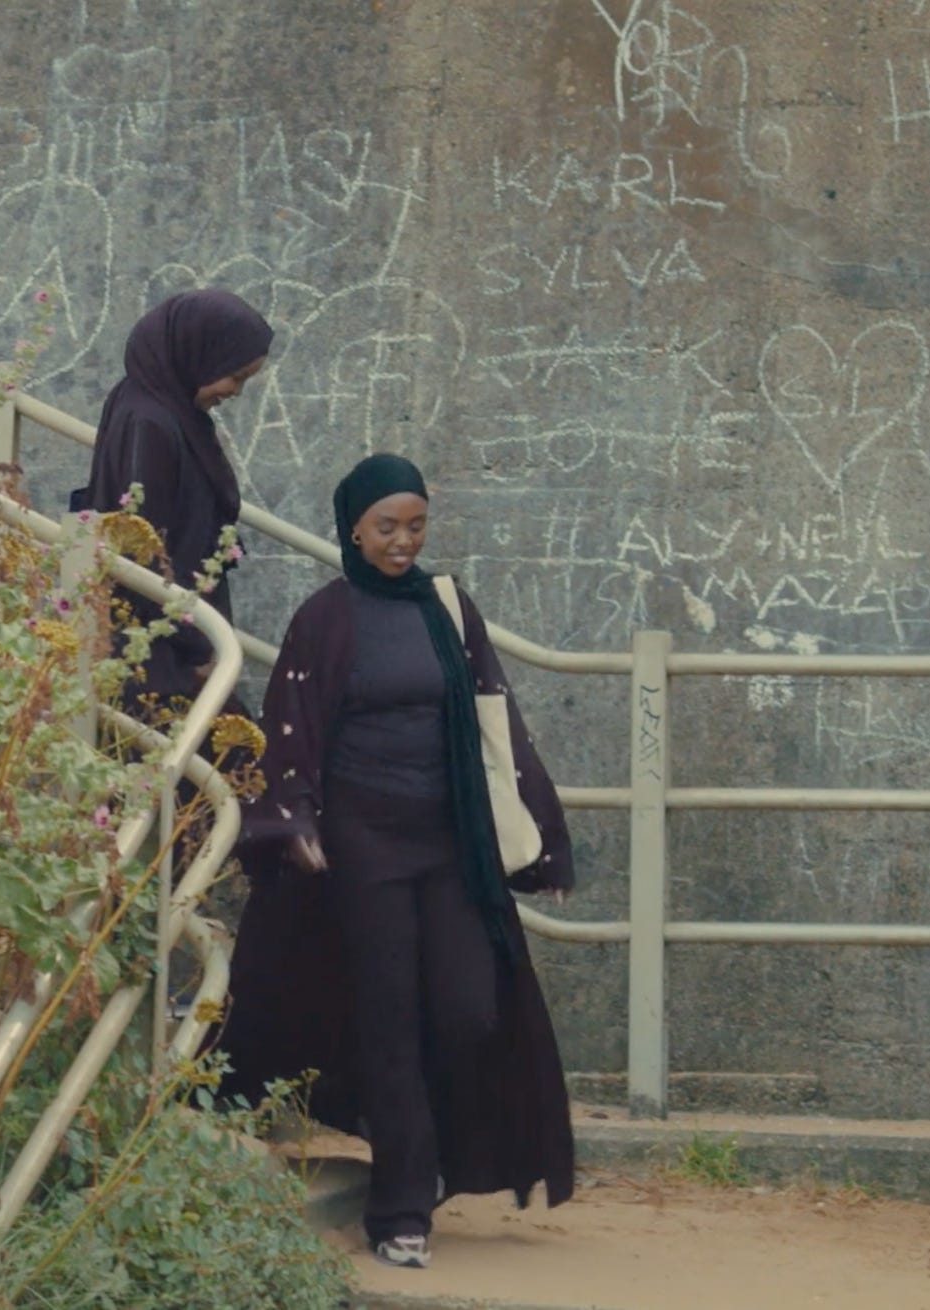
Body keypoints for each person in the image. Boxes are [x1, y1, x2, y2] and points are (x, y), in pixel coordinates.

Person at [216, 453, 576, 1271]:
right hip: (363, 849)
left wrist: (540, 840)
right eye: (387, 527)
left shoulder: (447, 608)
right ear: (354, 529)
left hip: (451, 846)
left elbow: (496, 721)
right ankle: (402, 1209)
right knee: (390, 1022)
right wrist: (296, 822)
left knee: (469, 1009)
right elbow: (293, 725)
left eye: (416, 526)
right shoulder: (325, 618)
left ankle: (435, 1154)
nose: (403, 541)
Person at [72, 288, 271, 715]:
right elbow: (144, 547)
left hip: (168, 640)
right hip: (158, 656)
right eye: (235, 376)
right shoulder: (151, 423)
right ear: (200, 355)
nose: (235, 392)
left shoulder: (161, 408)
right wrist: (199, 647)